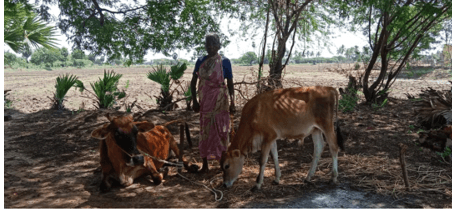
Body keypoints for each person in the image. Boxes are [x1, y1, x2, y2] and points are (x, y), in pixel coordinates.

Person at [190, 34, 235, 173]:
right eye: (208, 46)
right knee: (205, 131)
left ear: (218, 46)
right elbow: (193, 82)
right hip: (205, 102)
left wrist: (233, 102)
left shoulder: (225, 62)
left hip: (221, 102)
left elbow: (230, 83)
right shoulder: (200, 61)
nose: (210, 48)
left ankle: (223, 161)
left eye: (213, 45)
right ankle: (205, 165)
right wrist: (195, 101)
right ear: (205, 46)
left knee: (221, 130)